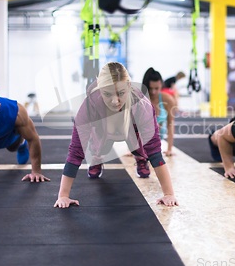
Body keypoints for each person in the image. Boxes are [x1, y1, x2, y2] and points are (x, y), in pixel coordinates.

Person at [54, 62, 178, 208]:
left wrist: (169, 194)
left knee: (142, 150)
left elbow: (155, 152)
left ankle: (140, 157)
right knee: (99, 148)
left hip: (131, 131)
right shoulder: (89, 105)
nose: (114, 101)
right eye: (107, 94)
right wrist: (63, 196)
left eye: (120, 93)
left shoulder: (142, 105)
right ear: (100, 89)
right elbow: (76, 151)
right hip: (104, 132)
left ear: (129, 86)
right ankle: (97, 158)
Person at [142, 68, 176, 156]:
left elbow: (170, 124)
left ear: (161, 85)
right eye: (150, 88)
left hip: (156, 143)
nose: (153, 92)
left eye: (156, 88)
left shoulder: (168, 100)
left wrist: (169, 149)